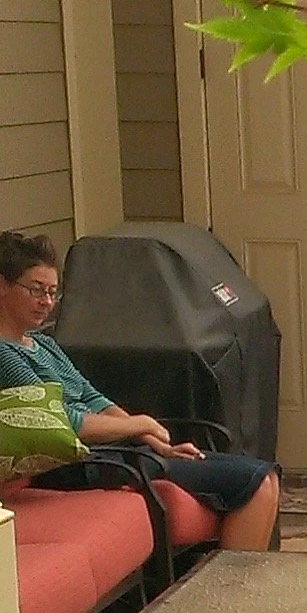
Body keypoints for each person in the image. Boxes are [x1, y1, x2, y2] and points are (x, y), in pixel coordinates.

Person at [0, 227, 281, 549]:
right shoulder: (4, 354)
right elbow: (61, 422)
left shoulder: (43, 345)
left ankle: (237, 577)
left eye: (53, 292)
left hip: (112, 452)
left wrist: (158, 444)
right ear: (2, 286)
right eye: (36, 290)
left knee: (267, 477)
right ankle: (231, 581)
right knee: (255, 482)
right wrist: (140, 424)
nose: (47, 302)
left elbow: (93, 398)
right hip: (76, 464)